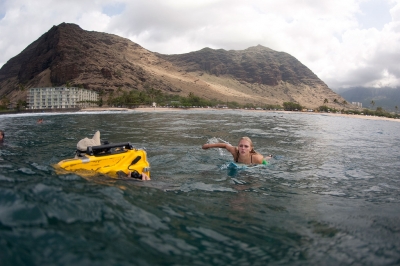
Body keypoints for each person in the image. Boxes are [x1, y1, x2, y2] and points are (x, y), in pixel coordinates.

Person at [202, 136, 272, 165]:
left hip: (260, 161)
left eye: (246, 146)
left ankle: (269, 156)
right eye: (241, 146)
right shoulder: (235, 151)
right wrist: (208, 146)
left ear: (250, 148)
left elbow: (265, 166)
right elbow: (225, 145)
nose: (243, 148)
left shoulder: (257, 158)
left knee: (265, 159)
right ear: (238, 146)